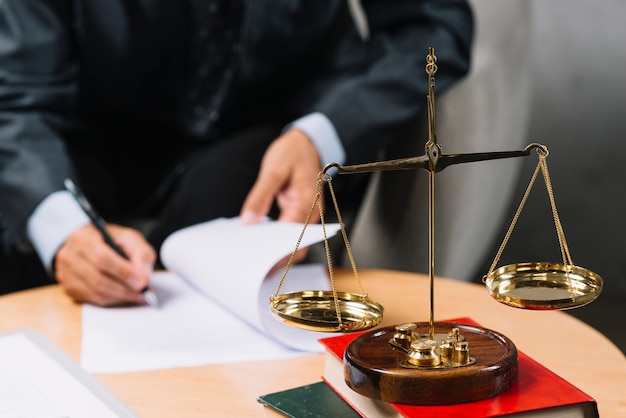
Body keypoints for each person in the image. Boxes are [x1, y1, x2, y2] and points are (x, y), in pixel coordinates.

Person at [0, 0, 473, 305]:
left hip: (270, 134)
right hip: (93, 129)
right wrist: (62, 230)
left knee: (222, 229)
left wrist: (323, 133)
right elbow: (18, 97)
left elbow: (433, 27)